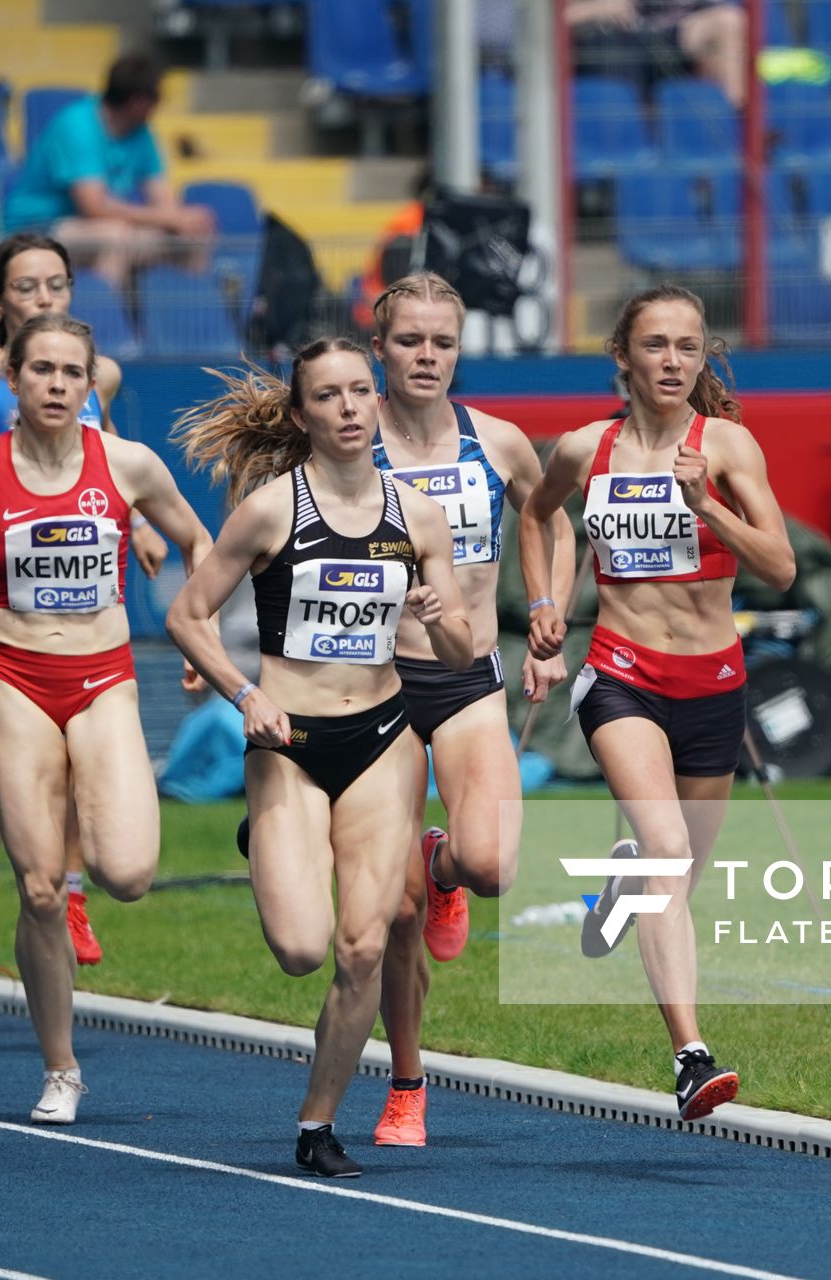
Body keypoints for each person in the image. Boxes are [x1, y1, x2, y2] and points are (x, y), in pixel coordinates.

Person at [0, 313, 212, 1123]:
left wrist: (200, 638)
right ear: (12, 382)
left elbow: (201, 544)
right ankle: (61, 1068)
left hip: (104, 680)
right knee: (39, 890)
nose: (57, 385)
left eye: (71, 372)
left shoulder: (127, 466)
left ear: (89, 385)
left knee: (126, 874)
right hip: (14, 678)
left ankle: (76, 900)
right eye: (42, 371)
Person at [168, 337, 473, 1177]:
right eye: (328, 397)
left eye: (359, 392)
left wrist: (439, 613)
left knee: (363, 947)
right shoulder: (273, 508)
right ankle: (265, 837)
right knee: (301, 949)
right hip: (290, 745)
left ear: (377, 403)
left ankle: (317, 1125)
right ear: (302, 415)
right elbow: (189, 617)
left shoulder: (417, 516)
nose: (347, 408)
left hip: (381, 738)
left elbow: (456, 650)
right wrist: (244, 694)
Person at [518, 284, 793, 1122]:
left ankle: (618, 887)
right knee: (667, 850)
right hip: (622, 672)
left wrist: (707, 503)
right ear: (623, 360)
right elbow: (535, 516)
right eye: (656, 346)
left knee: (673, 874)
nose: (674, 361)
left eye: (688, 346)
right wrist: (544, 603)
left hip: (713, 683)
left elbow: (780, 568)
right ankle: (690, 1055)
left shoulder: (729, 446)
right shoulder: (585, 448)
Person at [0, 232, 170, 1024]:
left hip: (79, 597)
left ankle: (71, 890)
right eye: (26, 288)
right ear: (0, 299)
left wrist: (142, 528)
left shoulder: (91, 371)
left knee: (90, 751)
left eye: (56, 285)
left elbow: (111, 460)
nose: (43, 301)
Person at [364, 272, 575, 1147]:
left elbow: (553, 517)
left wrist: (552, 609)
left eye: (441, 342)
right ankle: (408, 1083)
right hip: (370, 693)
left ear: (460, 348)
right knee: (398, 913)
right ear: (379, 348)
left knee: (490, 866)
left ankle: (443, 864)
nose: (425, 356)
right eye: (409, 340)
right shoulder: (346, 438)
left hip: (468, 678)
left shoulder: (497, 441)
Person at [2, 51, 215, 289]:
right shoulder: (77, 126)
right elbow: (94, 206)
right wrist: (169, 217)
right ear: (139, 102)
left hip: (88, 228)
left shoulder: (141, 134)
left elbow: (163, 199)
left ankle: (188, 320)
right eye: (157, 99)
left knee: (192, 236)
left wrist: (184, 221)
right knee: (116, 238)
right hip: (37, 227)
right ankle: (104, 322)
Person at [567, 0, 748, 108]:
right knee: (614, 51)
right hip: (612, 42)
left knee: (727, 22)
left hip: (674, 35)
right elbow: (547, 20)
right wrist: (596, 9)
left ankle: (737, 126)